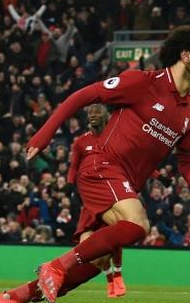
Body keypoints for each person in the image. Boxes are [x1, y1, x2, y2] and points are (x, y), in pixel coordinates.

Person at [0, 24, 190, 303]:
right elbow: (83, 96)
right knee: (137, 222)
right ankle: (55, 265)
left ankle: (12, 298)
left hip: (121, 186)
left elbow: (187, 161)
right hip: (101, 167)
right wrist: (44, 134)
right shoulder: (143, 82)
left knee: (95, 261)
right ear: (185, 55)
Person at [69, 104, 126, 298]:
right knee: (91, 246)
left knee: (116, 235)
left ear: (106, 116)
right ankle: (109, 277)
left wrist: (157, 175)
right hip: (91, 200)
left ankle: (117, 274)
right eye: (90, 113)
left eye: (97, 112)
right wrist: (68, 187)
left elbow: (130, 160)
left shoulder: (116, 139)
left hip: (112, 197)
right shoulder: (81, 142)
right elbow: (74, 166)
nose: (93, 116)